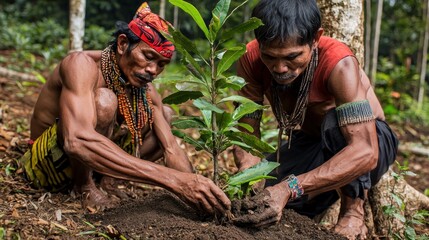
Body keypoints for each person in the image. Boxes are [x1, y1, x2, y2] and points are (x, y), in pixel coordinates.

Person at [19, 2, 231, 216]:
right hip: (47, 166)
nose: (152, 70)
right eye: (148, 57)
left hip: (94, 162)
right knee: (105, 101)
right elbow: (76, 141)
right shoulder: (81, 65)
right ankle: (83, 186)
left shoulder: (142, 87)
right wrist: (172, 179)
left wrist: (200, 190)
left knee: (164, 114)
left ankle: (108, 182)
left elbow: (170, 148)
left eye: (161, 65)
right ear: (122, 44)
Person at [231, 0, 398, 239]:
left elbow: (365, 152)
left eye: (292, 57)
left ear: (315, 39)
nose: (279, 68)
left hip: (370, 142)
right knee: (264, 199)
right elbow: (246, 130)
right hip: (311, 141)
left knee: (335, 125)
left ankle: (353, 210)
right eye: (270, 57)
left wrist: (290, 187)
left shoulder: (339, 63)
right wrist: (251, 173)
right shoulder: (251, 58)